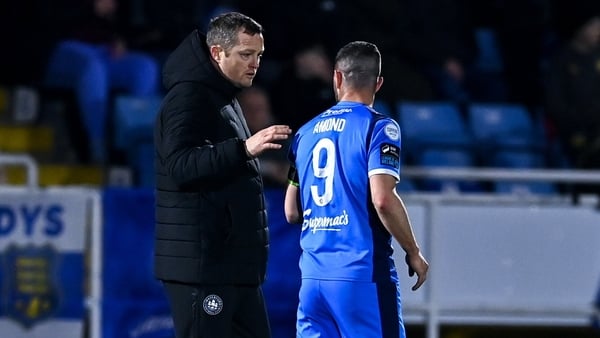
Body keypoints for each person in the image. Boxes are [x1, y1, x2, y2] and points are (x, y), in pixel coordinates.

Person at [153, 12, 291, 338]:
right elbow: (180, 166)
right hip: (204, 267)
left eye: (258, 55)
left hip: (232, 266)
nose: (255, 63)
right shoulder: (189, 96)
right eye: (246, 54)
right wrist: (244, 148)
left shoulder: (223, 97)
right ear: (217, 53)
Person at [284, 41, 429, 338]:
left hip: (313, 279)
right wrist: (412, 250)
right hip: (360, 275)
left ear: (336, 78)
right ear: (378, 83)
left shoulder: (304, 134)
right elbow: (383, 199)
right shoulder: (379, 128)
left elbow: (291, 211)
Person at [44, 0, 161, 163]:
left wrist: (122, 40)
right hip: (64, 47)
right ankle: (97, 147)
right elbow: (47, 15)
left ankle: (139, 145)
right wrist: (91, 7)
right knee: (93, 69)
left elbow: (126, 24)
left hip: (104, 50)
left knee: (145, 68)